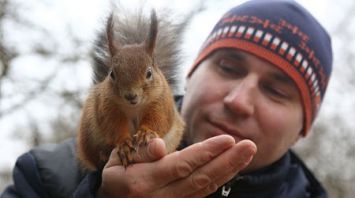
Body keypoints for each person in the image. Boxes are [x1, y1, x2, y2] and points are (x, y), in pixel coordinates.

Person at [1, 0, 332, 197]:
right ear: (190, 72)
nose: (238, 100)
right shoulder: (46, 176)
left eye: (276, 90)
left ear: (306, 125)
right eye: (229, 67)